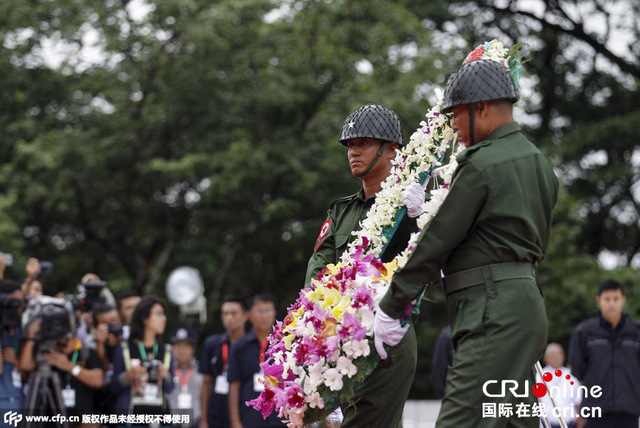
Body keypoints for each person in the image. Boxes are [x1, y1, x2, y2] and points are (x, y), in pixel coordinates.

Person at [374, 59, 559, 427]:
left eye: (457, 115)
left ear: (483, 108)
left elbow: (438, 239)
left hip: (491, 314)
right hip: (525, 306)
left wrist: (392, 305)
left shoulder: (480, 164)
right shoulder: (539, 163)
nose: (454, 126)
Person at [305, 104, 424, 427]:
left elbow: (429, 260)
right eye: (350, 145)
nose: (353, 151)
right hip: (339, 340)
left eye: (364, 143)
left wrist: (420, 220)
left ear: (392, 150)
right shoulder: (341, 211)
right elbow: (317, 273)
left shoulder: (413, 203)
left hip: (387, 337)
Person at [569, 279, 640, 428]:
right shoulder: (585, 332)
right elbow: (577, 369)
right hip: (597, 410)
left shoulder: (636, 331)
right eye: (607, 299)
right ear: (598, 301)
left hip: (630, 409)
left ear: (623, 300)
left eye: (616, 299)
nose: (612, 303)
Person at [20, 315, 104, 427]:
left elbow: (98, 380)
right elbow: (25, 366)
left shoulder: (86, 353)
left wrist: (69, 366)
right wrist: (31, 337)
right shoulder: (48, 352)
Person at [110, 295, 175, 422]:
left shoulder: (166, 350)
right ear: (145, 318)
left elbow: (170, 388)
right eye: (159, 314)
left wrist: (166, 375)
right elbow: (113, 387)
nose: (164, 319)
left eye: (164, 314)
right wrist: (129, 375)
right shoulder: (125, 349)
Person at [227, 293, 284, 428]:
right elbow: (234, 385)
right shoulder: (239, 347)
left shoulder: (284, 343)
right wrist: (235, 422)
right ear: (250, 315)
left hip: (280, 415)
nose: (264, 316)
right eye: (259, 311)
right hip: (250, 417)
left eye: (268, 311)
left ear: (274, 312)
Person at [199, 296, 248, 428]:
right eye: (225, 314)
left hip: (245, 411)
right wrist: (203, 421)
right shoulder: (211, 344)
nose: (229, 318)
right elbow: (206, 382)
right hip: (217, 411)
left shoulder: (251, 345)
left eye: (233, 313)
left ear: (245, 316)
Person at [536, 343, 581, 428]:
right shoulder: (538, 376)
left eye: (558, 354)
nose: (555, 357)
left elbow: (578, 403)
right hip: (545, 424)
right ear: (545, 358)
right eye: (552, 355)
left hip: (569, 425)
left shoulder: (572, 376)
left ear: (563, 355)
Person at [0, 279, 24, 426]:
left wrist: (17, 361)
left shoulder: (19, 331)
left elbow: (27, 370)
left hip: (20, 399)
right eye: (14, 303)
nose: (18, 308)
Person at [168, 328, 203, 428]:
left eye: (185, 346)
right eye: (178, 346)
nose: (181, 350)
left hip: (197, 422)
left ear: (192, 349)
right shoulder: (166, 371)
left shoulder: (201, 371)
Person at [430, 325, 454, 399]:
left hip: (454, 393)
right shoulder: (447, 334)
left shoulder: (447, 333)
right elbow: (439, 368)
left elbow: (438, 368)